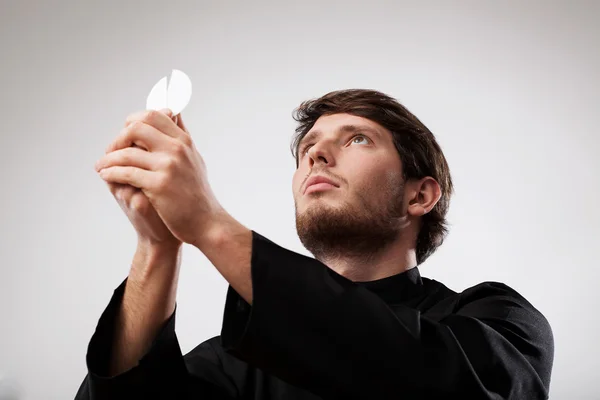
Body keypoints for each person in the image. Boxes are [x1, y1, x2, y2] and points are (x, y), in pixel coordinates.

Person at [75, 89, 554, 399]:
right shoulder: (231, 360)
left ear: (420, 194)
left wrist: (210, 224)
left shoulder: (499, 322)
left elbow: (428, 380)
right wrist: (158, 243)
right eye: (308, 150)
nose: (316, 155)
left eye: (358, 139)